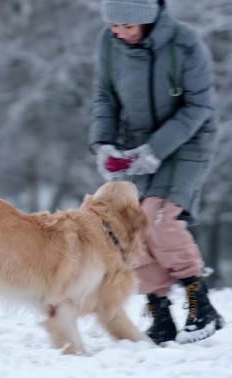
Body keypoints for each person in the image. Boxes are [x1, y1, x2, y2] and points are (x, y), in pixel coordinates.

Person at [89, 0, 225, 345]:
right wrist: (104, 143)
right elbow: (105, 97)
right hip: (137, 146)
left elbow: (199, 107)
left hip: (187, 141)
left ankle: (201, 306)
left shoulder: (184, 43)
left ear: (147, 18)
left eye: (126, 26)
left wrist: (155, 150)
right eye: (114, 25)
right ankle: (160, 312)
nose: (118, 32)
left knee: (158, 219)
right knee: (132, 227)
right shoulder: (109, 44)